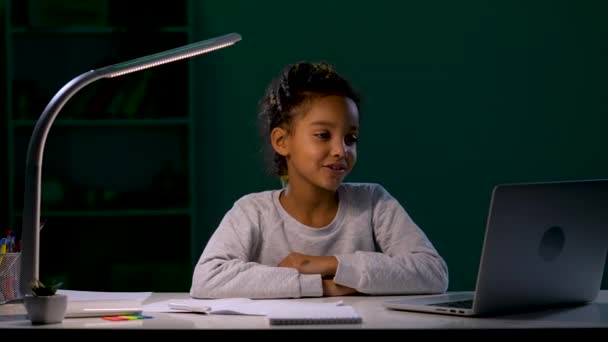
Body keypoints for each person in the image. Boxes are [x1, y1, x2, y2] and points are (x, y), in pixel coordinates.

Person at [190, 61, 449, 299]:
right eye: (323, 135)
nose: (341, 150)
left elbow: (433, 272)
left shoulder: (373, 201)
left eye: (351, 138)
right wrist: (322, 286)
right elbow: (207, 279)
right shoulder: (252, 212)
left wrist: (326, 263)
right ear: (281, 141)